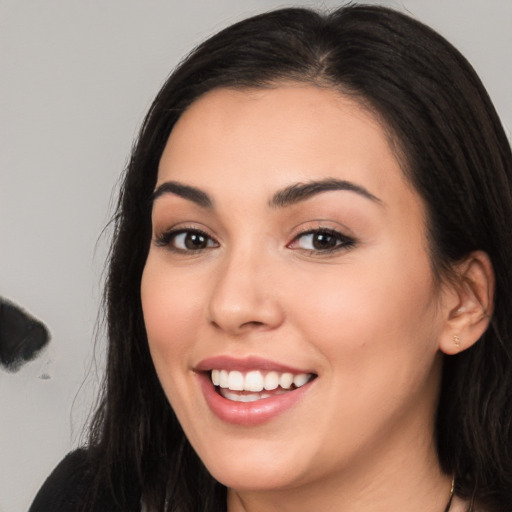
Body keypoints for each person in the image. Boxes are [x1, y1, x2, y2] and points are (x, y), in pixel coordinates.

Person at [29, 4, 512, 512]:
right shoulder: (89, 500)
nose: (233, 305)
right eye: (192, 238)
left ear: (464, 301)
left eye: (321, 239)